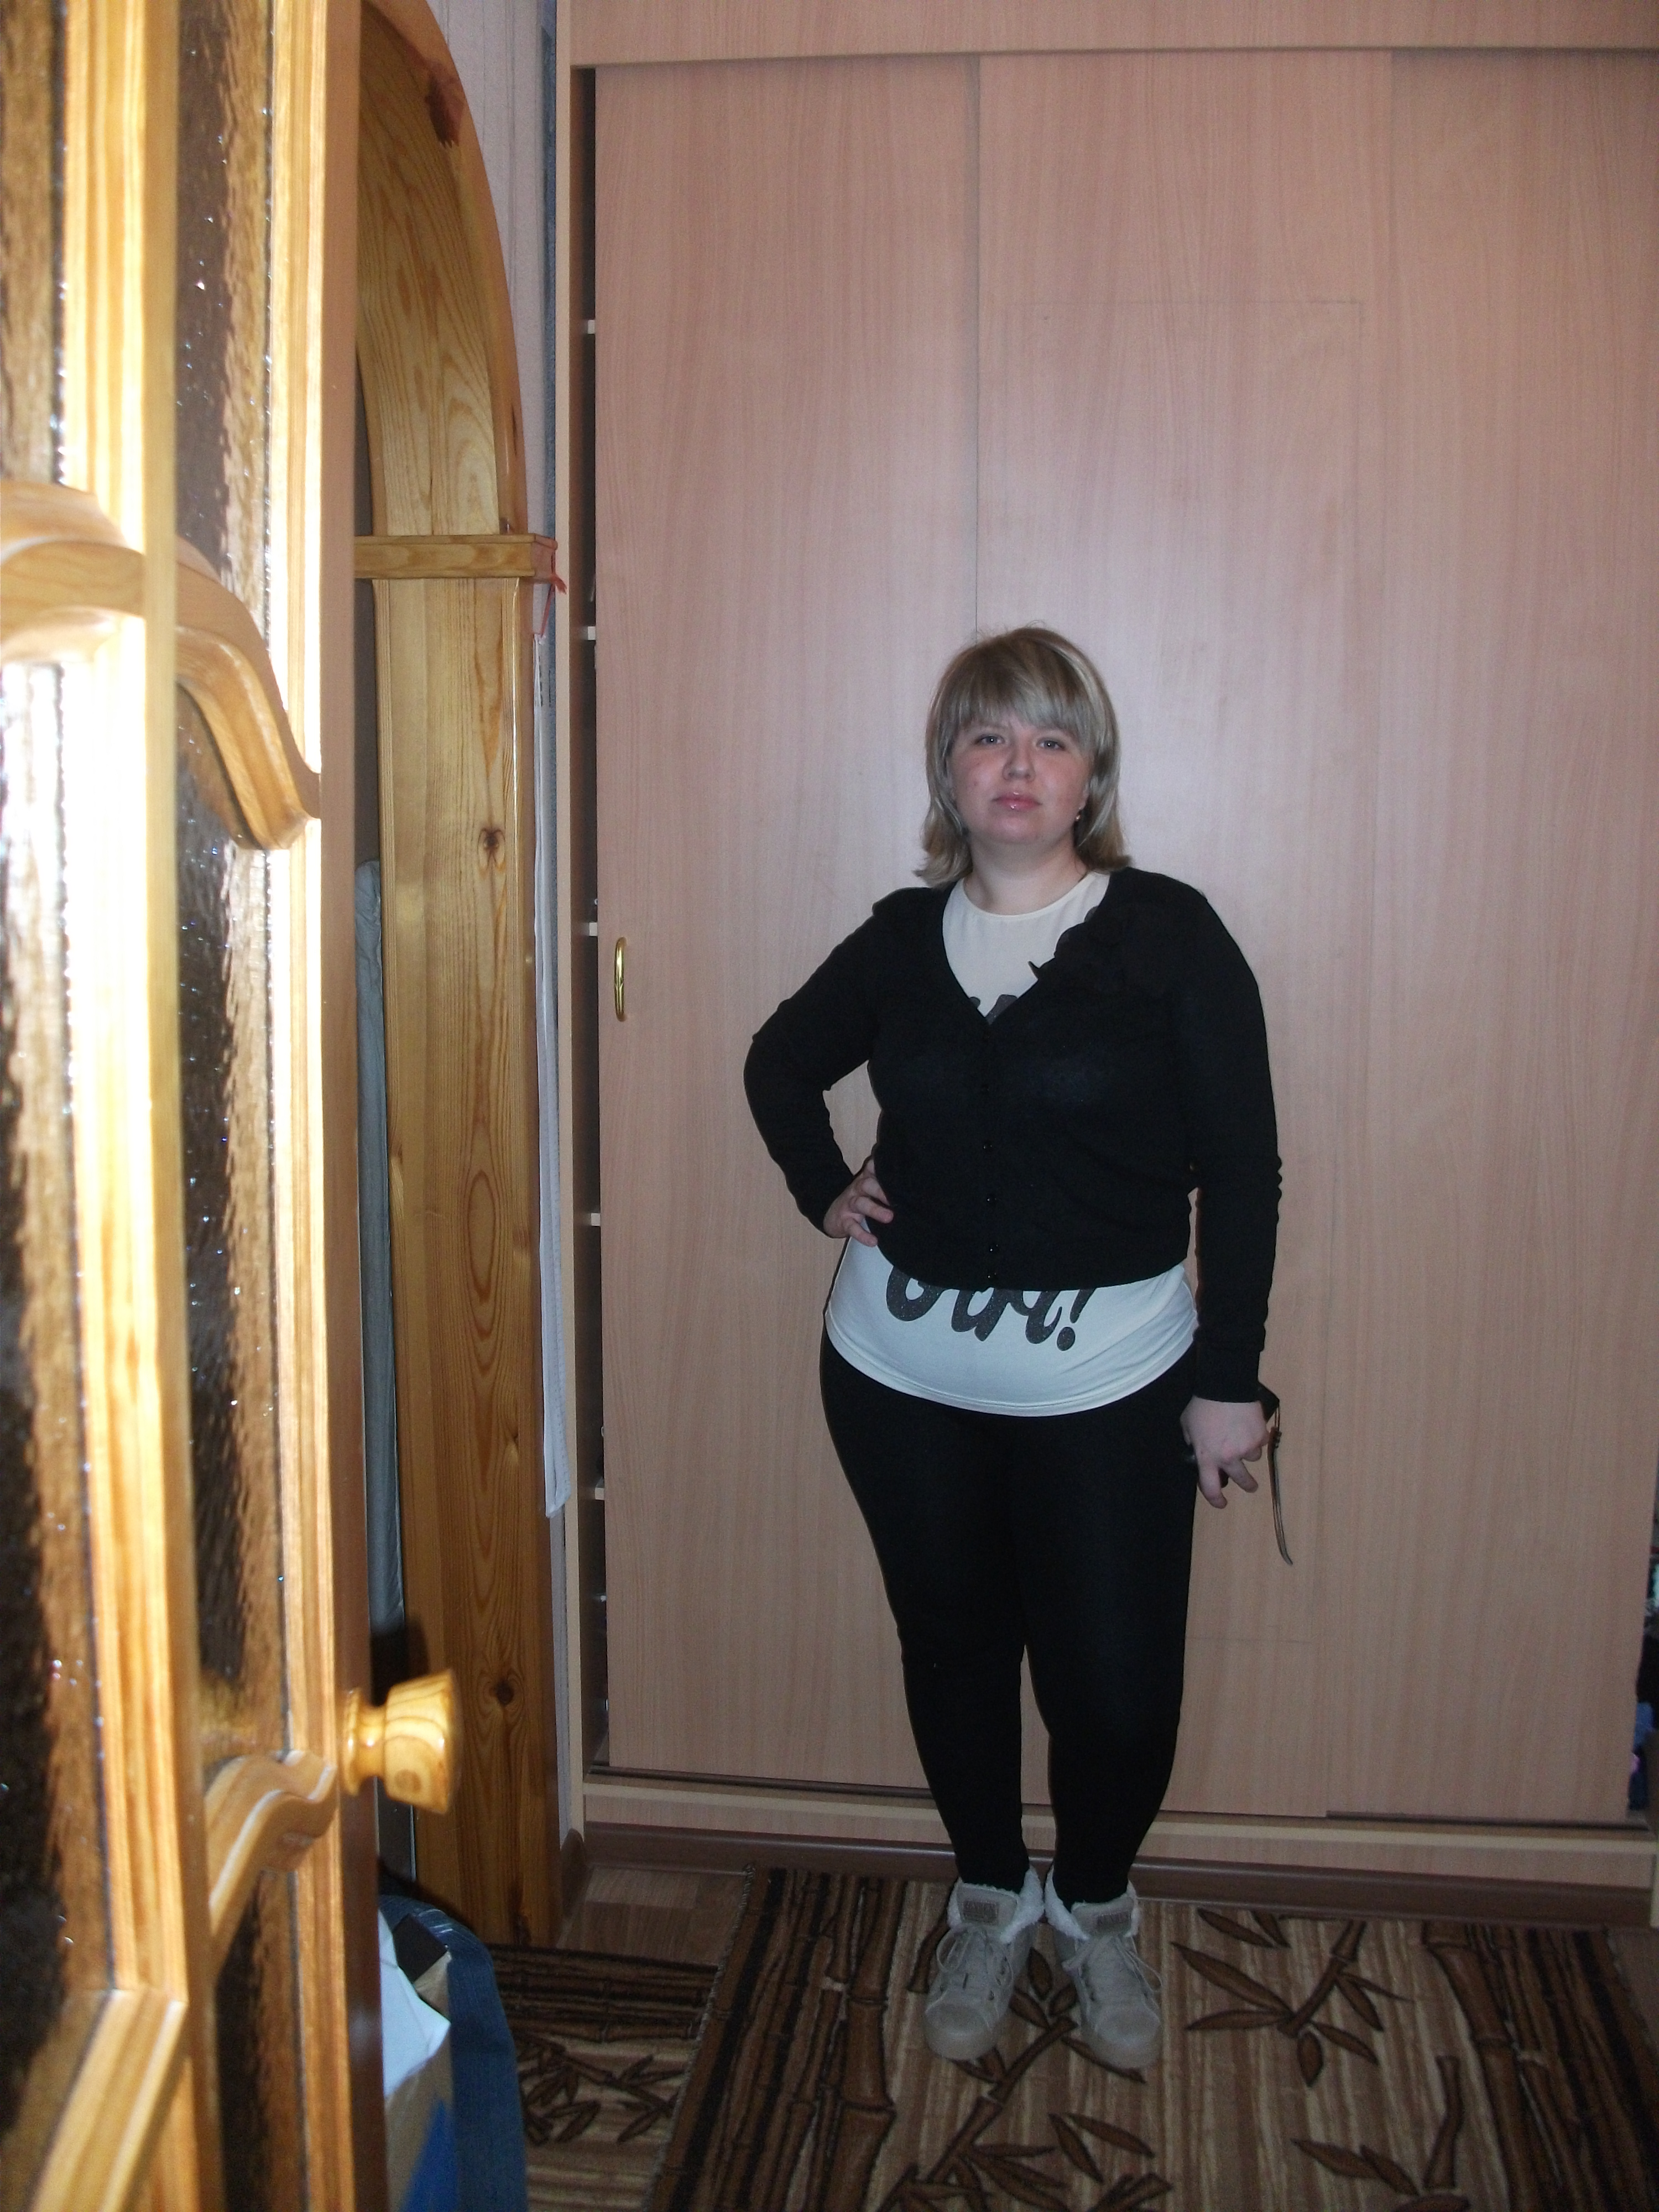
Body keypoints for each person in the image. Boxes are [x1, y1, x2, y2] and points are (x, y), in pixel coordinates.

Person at [743, 626, 1280, 2071]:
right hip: (898, 1381)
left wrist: (1228, 1378)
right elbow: (779, 1062)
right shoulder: (897, 944)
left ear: (1093, 771)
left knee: (1116, 1687)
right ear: (949, 773)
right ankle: (988, 1894)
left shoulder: (1169, 936)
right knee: (956, 1650)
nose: (1020, 765)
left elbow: (1244, 1168)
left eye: (1052, 737)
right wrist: (824, 1187)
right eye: (989, 737)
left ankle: (1094, 1905)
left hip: (1113, 1387)